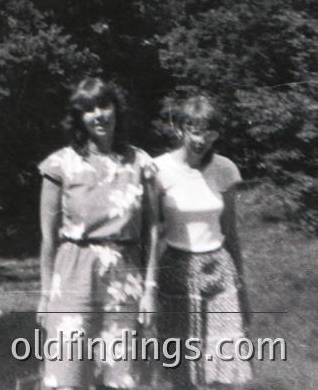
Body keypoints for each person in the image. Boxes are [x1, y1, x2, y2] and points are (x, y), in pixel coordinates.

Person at [37, 77, 157, 390]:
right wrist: (46, 294)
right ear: (79, 117)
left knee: (121, 376)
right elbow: (49, 239)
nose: (99, 114)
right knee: (68, 373)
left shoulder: (140, 162)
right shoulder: (60, 164)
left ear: (117, 109)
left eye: (104, 105)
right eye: (88, 109)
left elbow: (153, 231)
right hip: (74, 274)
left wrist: (150, 289)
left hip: (125, 277)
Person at [150, 92, 253, 387]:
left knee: (222, 359)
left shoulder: (225, 169)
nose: (201, 139)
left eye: (209, 131)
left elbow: (231, 233)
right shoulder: (159, 170)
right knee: (182, 363)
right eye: (194, 130)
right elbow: (153, 231)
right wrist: (149, 284)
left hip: (218, 269)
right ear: (181, 129)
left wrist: (242, 287)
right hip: (176, 269)